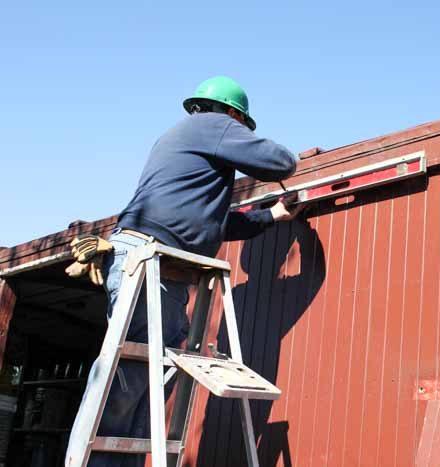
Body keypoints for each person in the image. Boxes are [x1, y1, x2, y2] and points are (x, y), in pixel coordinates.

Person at [65, 76, 302, 467]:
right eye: (239, 126)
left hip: (164, 269)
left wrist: (272, 215)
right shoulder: (211, 125)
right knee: (124, 381)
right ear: (231, 113)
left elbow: (211, 223)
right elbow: (281, 162)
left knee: (147, 383)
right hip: (150, 259)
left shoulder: (188, 143)